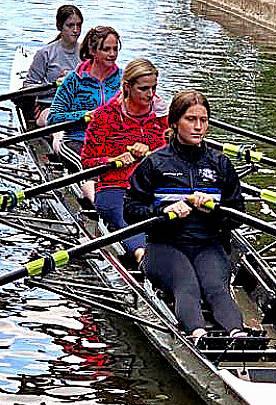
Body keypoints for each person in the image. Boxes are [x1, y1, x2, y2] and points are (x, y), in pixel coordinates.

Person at [124, 90, 246, 341]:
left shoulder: (220, 164)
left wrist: (213, 211)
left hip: (207, 244)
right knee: (187, 286)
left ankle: (238, 336)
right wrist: (163, 211)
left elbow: (237, 215)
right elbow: (130, 211)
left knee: (216, 288)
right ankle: (198, 336)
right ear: (174, 122)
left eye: (203, 120)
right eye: (191, 119)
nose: (198, 126)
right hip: (164, 246)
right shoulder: (154, 163)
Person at [80, 58, 168, 264]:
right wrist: (114, 160)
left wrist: (153, 150)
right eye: (144, 89)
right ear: (127, 87)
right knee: (127, 218)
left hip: (154, 186)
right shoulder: (104, 117)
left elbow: (174, 151)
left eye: (154, 88)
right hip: (115, 187)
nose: (150, 94)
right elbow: (87, 162)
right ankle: (142, 256)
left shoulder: (162, 115)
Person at [46, 26, 123, 203]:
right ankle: (100, 206)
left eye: (115, 49)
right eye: (106, 49)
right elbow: (53, 118)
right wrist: (85, 115)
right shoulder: (74, 80)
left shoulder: (122, 79)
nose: (112, 54)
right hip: (77, 140)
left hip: (112, 140)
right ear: (92, 51)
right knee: (91, 167)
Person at [23, 5, 83, 127]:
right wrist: (57, 85)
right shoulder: (45, 53)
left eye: (79, 25)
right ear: (60, 26)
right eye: (70, 25)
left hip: (77, 105)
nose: (76, 30)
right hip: (49, 105)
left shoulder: (86, 52)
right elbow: (27, 87)